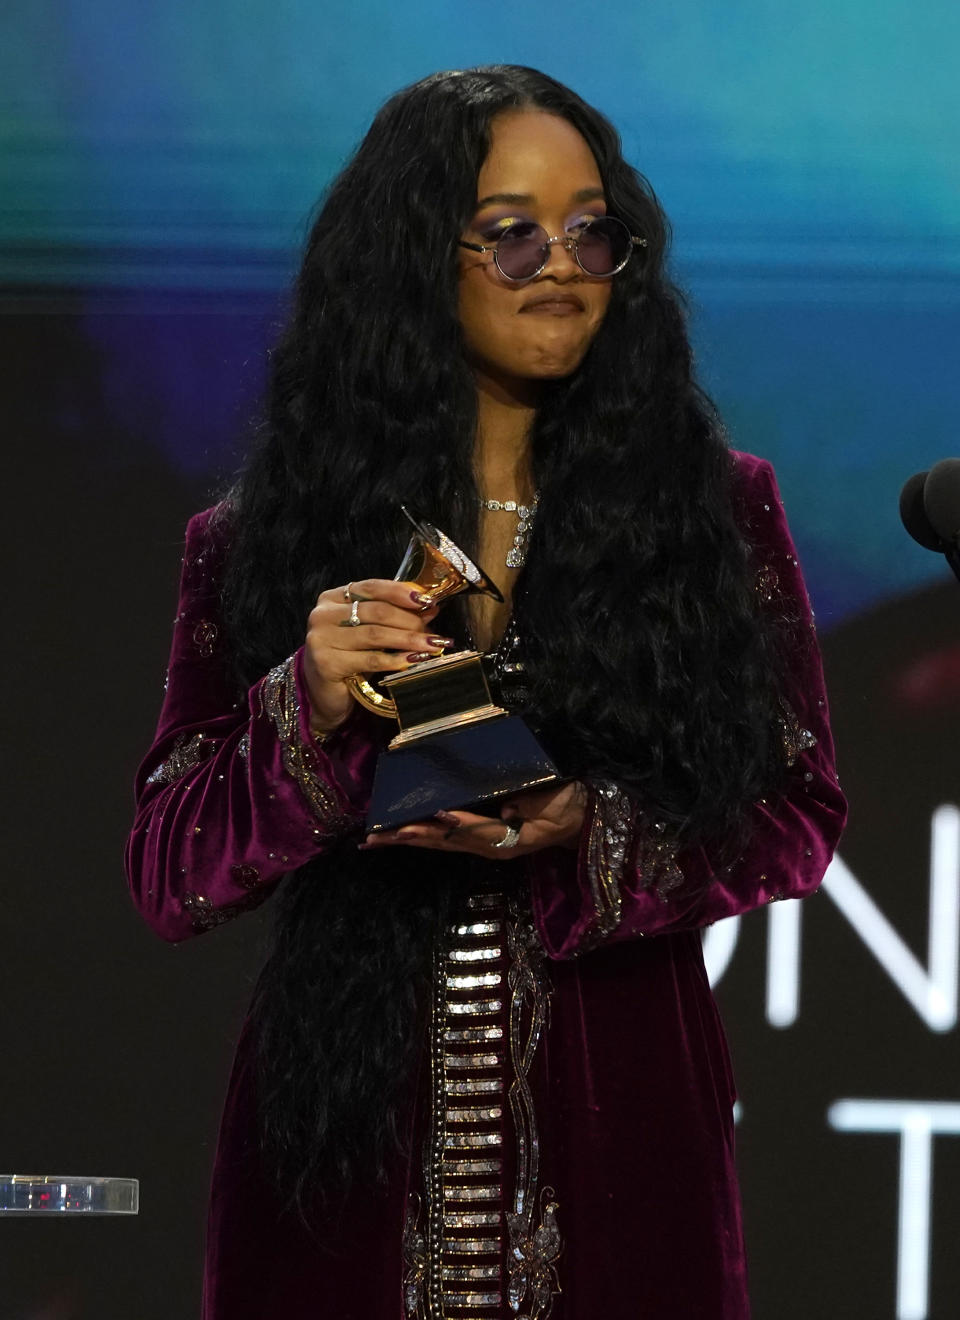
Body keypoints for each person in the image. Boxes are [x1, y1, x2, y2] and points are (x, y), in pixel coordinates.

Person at [125, 65, 846, 1320]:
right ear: (417, 258)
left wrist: (587, 829)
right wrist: (306, 709)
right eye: (510, 232)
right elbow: (166, 872)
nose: (560, 262)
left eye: (589, 229)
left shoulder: (711, 514)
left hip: (628, 1136)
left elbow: (795, 813)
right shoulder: (259, 544)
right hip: (337, 1162)